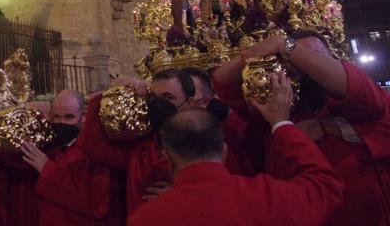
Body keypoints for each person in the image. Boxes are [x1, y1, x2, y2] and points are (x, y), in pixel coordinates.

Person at [212, 30, 390, 225]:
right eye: (295, 60)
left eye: (312, 57)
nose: (305, 67)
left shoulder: (362, 101)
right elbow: (221, 81)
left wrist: (286, 46)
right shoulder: (278, 104)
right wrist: (260, 49)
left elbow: (362, 93)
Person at [128, 72, 344, 226]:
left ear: (168, 157)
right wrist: (281, 123)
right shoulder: (269, 199)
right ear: (223, 151)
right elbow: (325, 184)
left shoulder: (146, 218)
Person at [77, 69, 225, 214]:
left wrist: (181, 193)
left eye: (168, 97)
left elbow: (224, 187)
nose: (158, 104)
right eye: (154, 97)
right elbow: (92, 145)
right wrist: (111, 94)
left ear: (189, 102)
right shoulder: (141, 144)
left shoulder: (209, 137)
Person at [20, 89, 122, 226]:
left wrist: (46, 168)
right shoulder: (52, 144)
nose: (62, 122)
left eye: (69, 117)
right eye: (56, 117)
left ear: (83, 116)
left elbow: (97, 204)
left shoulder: (97, 150)